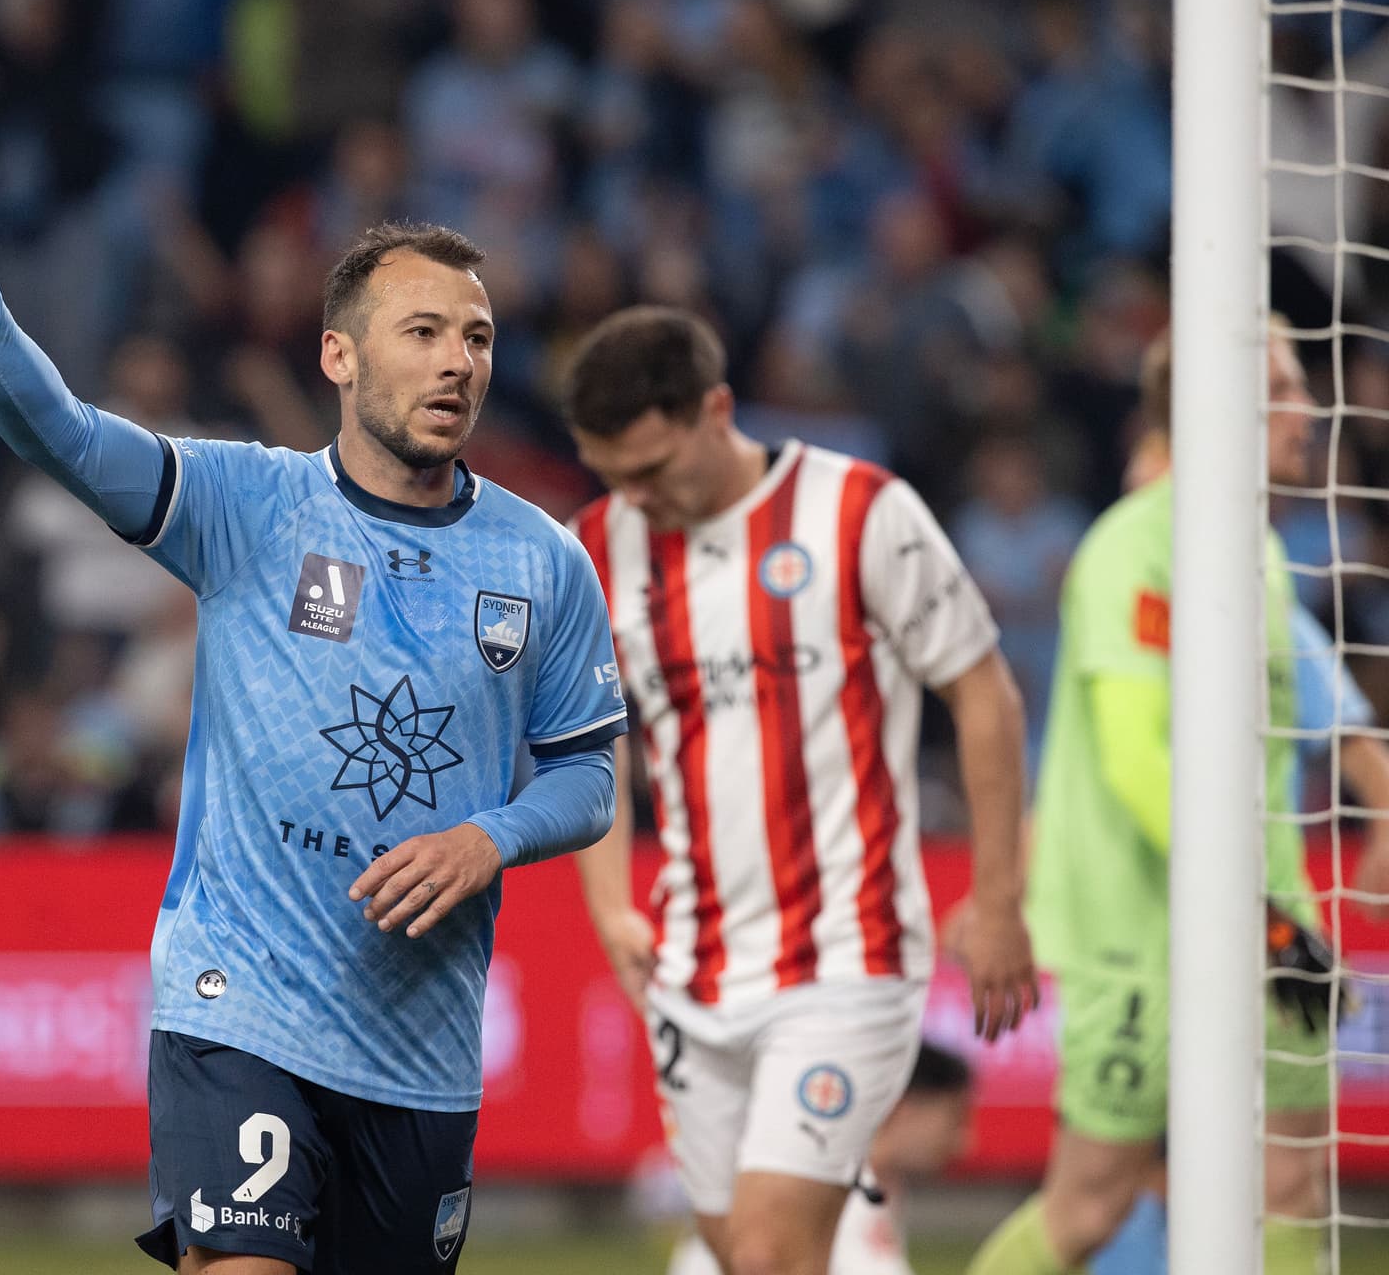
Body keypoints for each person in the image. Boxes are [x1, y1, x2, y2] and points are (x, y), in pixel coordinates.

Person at [0, 108, 628, 1274]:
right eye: (424, 330)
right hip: (239, 1001)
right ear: (339, 355)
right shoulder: (248, 505)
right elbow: (62, 434)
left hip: (420, 1053)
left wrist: (490, 838)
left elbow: (590, 773)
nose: (458, 361)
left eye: (479, 337)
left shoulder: (543, 559)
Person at [561, 305, 1037, 1275]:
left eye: (653, 468)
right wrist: (609, 901)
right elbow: (586, 733)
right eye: (613, 475)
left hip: (846, 956)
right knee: (742, 1254)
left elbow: (984, 693)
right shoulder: (598, 542)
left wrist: (999, 898)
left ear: (718, 409)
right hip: (692, 962)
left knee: (774, 1247)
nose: (635, 497)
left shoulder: (860, 511)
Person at [961, 322, 1385, 1275]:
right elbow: (1138, 761)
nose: (1308, 411)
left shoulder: (1267, 557)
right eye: (1278, 388)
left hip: (1279, 924)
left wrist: (1296, 899)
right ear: (1206, 410)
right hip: (1148, 936)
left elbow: (1313, 712)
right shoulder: (1132, 550)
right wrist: (1258, 914)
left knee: (1293, 1187)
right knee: (1091, 1206)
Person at [665, 1042, 977, 1275]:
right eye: (954, 1119)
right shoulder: (842, 1186)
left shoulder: (857, 1177)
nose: (963, 1143)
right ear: (903, 1110)